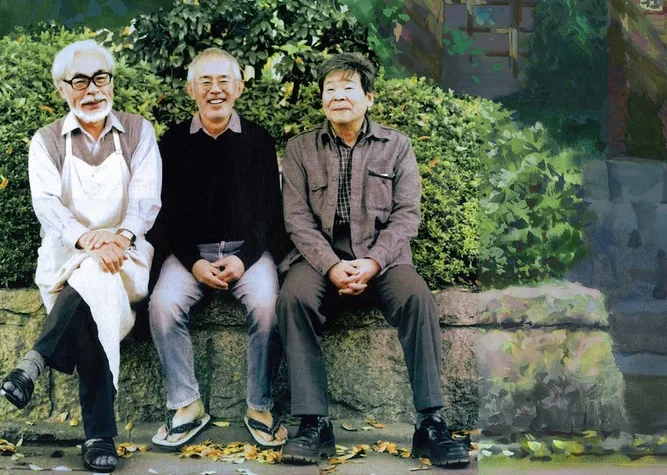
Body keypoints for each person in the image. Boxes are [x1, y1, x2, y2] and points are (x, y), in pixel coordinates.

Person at [277, 52, 470, 467]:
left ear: (369, 98)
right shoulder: (300, 149)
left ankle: (430, 423)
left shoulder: (396, 146)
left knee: (417, 298)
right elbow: (296, 219)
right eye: (330, 89)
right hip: (319, 259)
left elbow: (407, 215)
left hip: (384, 260)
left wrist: (374, 262)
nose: (338, 96)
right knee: (293, 298)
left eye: (348, 88)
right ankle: (313, 423)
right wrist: (331, 265)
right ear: (321, 99)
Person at [0, 40, 162, 473]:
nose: (92, 90)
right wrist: (90, 241)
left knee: (98, 283)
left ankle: (35, 363)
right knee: (94, 293)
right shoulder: (46, 141)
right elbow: (47, 206)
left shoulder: (138, 131)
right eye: (80, 81)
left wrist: (119, 239)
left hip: (126, 256)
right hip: (66, 258)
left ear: (111, 83)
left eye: (100, 78)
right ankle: (99, 437)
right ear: (62, 88)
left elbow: (146, 199)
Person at [148, 48, 288, 449]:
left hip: (248, 253)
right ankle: (186, 404)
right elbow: (166, 214)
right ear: (191, 89)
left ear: (239, 87)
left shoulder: (258, 140)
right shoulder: (174, 142)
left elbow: (271, 214)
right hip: (190, 254)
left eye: (224, 80)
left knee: (267, 306)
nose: (215, 90)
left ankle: (259, 406)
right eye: (205, 82)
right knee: (163, 305)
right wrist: (193, 262)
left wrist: (244, 260)